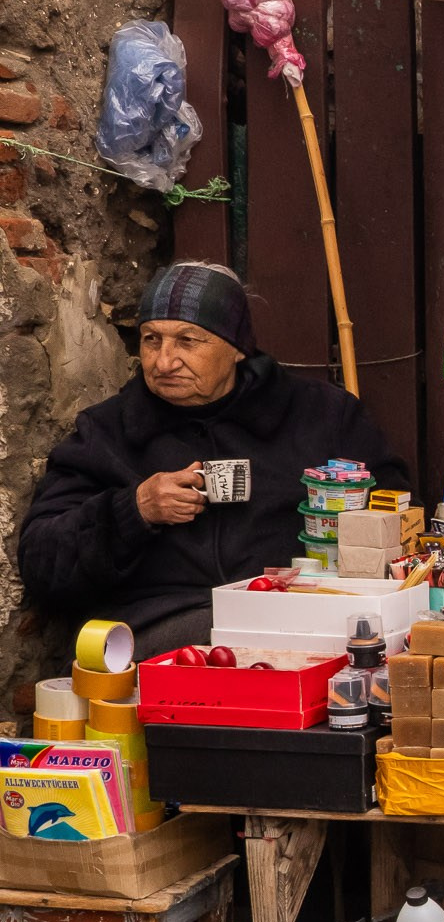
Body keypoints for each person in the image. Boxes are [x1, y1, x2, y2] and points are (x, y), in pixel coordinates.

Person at [18, 260, 410, 656]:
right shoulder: (108, 433)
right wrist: (134, 510)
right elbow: (42, 564)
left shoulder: (324, 416)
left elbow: (397, 519)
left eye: (188, 341)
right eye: (152, 339)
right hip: (158, 628)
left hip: (302, 616)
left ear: (237, 348)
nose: (164, 362)